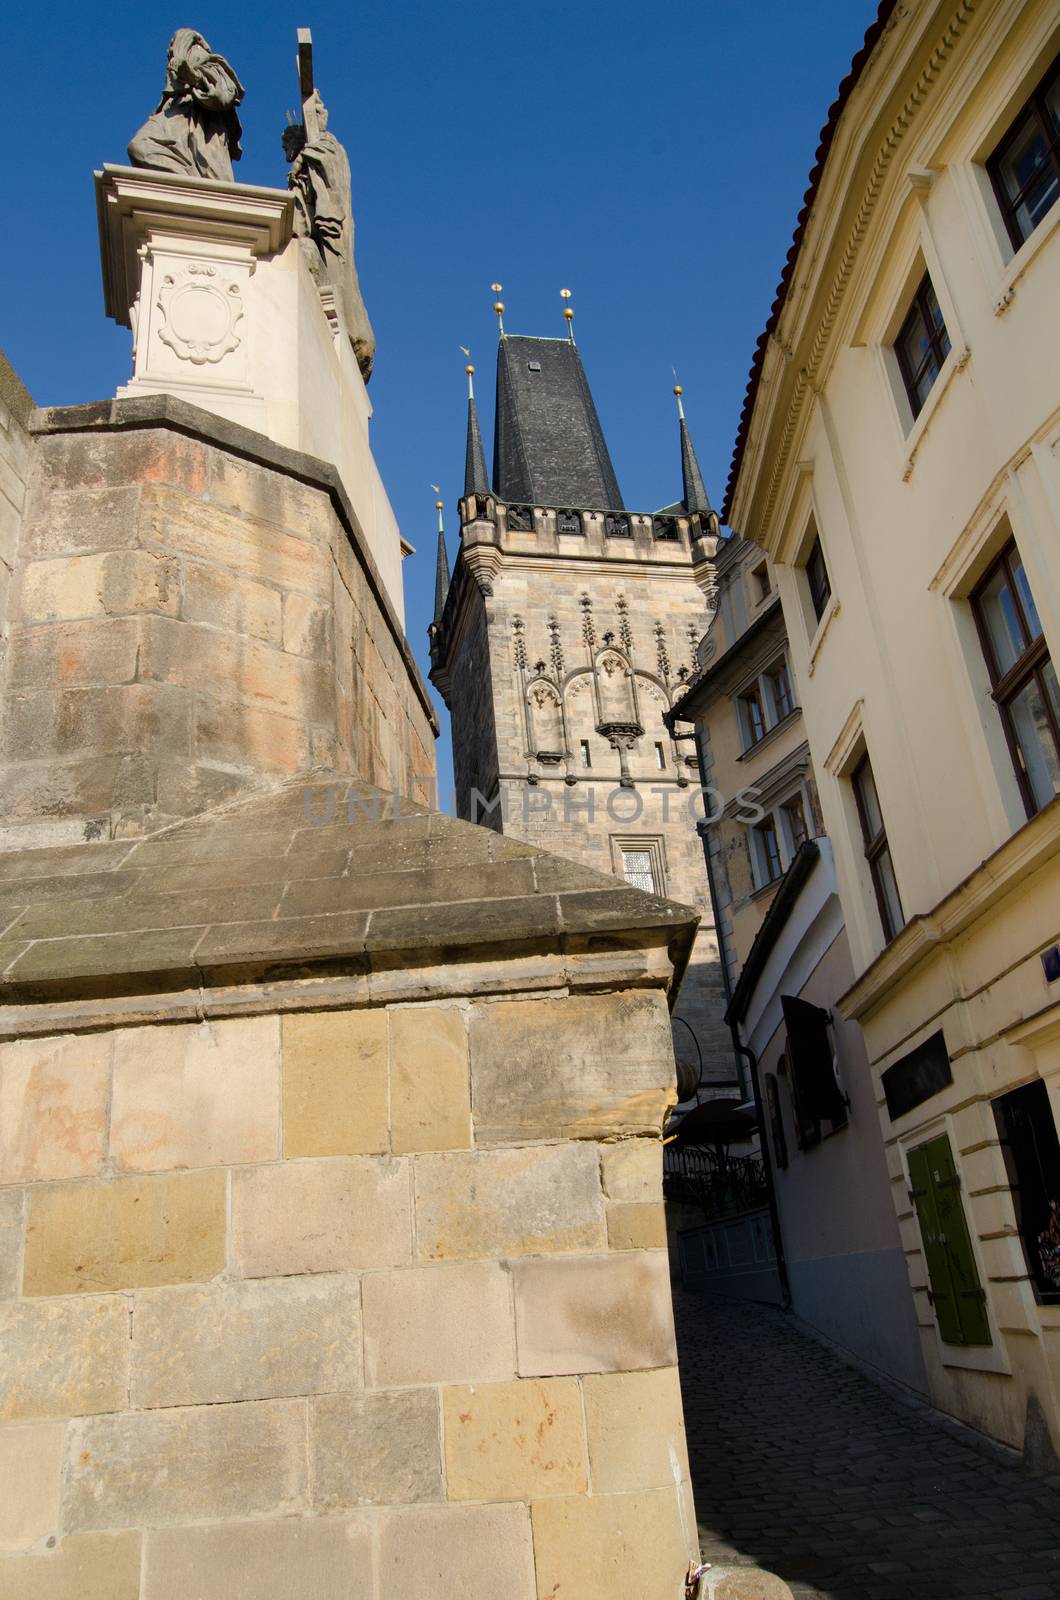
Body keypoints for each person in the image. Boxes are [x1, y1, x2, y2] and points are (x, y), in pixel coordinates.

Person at [283, 94, 376, 382]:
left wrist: (310, 148)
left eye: (288, 145)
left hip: (329, 247)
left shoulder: (327, 150)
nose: (286, 152)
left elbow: (330, 200)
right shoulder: (302, 172)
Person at [129, 29, 244, 182]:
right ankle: (188, 181)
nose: (170, 48)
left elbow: (223, 96)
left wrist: (191, 74)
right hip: (174, 115)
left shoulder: (202, 57)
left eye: (173, 44)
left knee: (139, 145)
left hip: (197, 121)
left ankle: (191, 183)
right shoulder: (174, 67)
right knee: (139, 146)